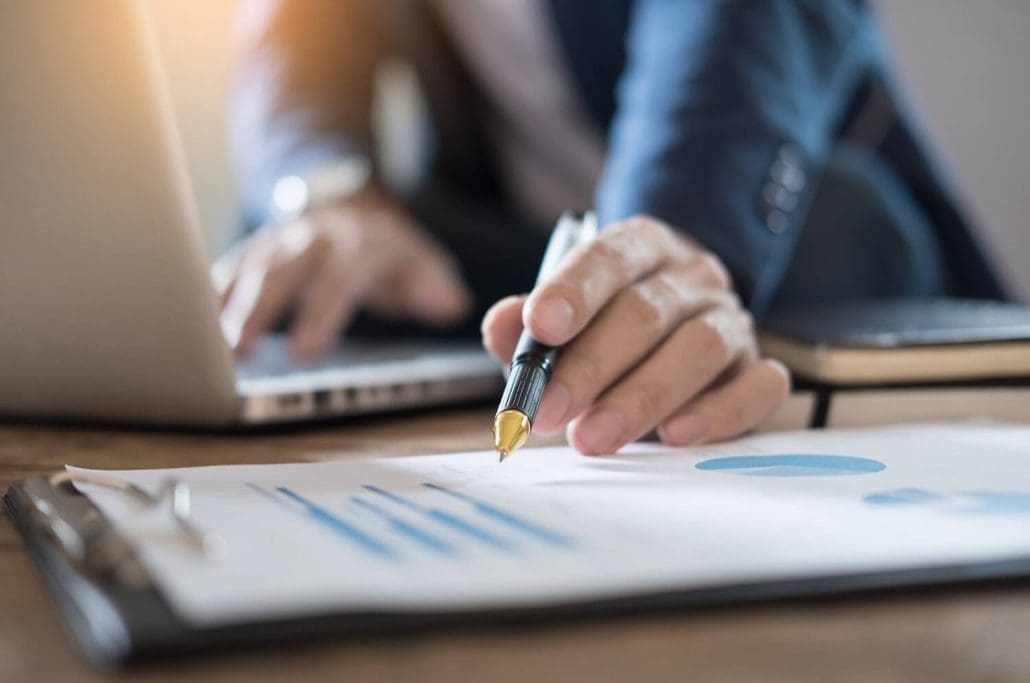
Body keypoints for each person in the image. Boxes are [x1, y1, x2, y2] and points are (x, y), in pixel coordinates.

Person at [217, 0, 1004, 455]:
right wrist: (331, 195)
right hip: (520, 246)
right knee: (290, 246)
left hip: (751, 200)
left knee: (838, 219)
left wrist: (673, 232)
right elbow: (297, 33)